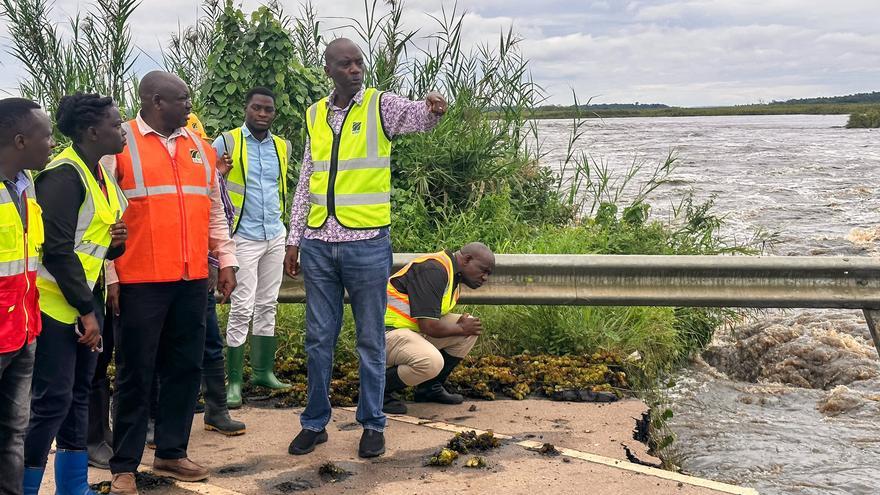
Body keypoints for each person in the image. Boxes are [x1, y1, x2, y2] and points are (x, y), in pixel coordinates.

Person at [283, 38, 448, 459]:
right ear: (329, 70)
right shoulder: (315, 114)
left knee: (371, 340)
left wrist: (431, 111)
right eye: (346, 64)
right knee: (319, 339)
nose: (355, 69)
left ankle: (372, 423)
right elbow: (307, 178)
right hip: (319, 243)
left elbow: (414, 118)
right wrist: (293, 239)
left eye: (359, 62)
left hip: (367, 244)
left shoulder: (380, 104)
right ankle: (314, 423)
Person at [103, 71, 237, 495]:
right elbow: (103, 217)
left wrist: (226, 261)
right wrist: (110, 277)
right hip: (140, 280)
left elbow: (213, 210)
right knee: (135, 373)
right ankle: (123, 466)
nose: (189, 107)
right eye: (182, 100)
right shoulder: (118, 144)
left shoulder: (198, 146)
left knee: (185, 368)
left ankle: (172, 452)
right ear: (156, 100)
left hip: (191, 278)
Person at [23, 93, 129, 494]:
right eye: (117, 124)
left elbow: (98, 244)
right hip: (57, 309)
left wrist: (117, 242)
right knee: (51, 403)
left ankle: (73, 487)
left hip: (87, 304)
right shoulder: (63, 176)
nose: (122, 130)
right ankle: (24, 486)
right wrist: (85, 310)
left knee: (78, 397)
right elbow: (57, 250)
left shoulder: (99, 174)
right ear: (92, 131)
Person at [213, 87, 292, 408]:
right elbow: (206, 182)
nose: (262, 114)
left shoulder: (282, 146)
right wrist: (220, 173)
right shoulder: (227, 142)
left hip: (275, 233)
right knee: (242, 306)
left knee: (267, 303)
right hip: (242, 236)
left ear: (274, 113)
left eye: (268, 110)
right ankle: (233, 382)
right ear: (246, 109)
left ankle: (263, 372)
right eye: (256, 108)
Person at [0, 98, 54, 495]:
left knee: (13, 433)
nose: (52, 143)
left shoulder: (26, 185)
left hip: (21, 331)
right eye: (45, 135)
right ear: (20, 140)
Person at [383, 243, 494, 415]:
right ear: (466, 260)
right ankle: (377, 391)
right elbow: (429, 326)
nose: (485, 277)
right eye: (483, 270)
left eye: (488, 274)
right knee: (431, 361)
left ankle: (429, 388)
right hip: (385, 335)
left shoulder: (453, 275)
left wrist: (463, 328)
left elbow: (431, 322)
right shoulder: (434, 270)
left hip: (410, 332)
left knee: (470, 328)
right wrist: (460, 328)